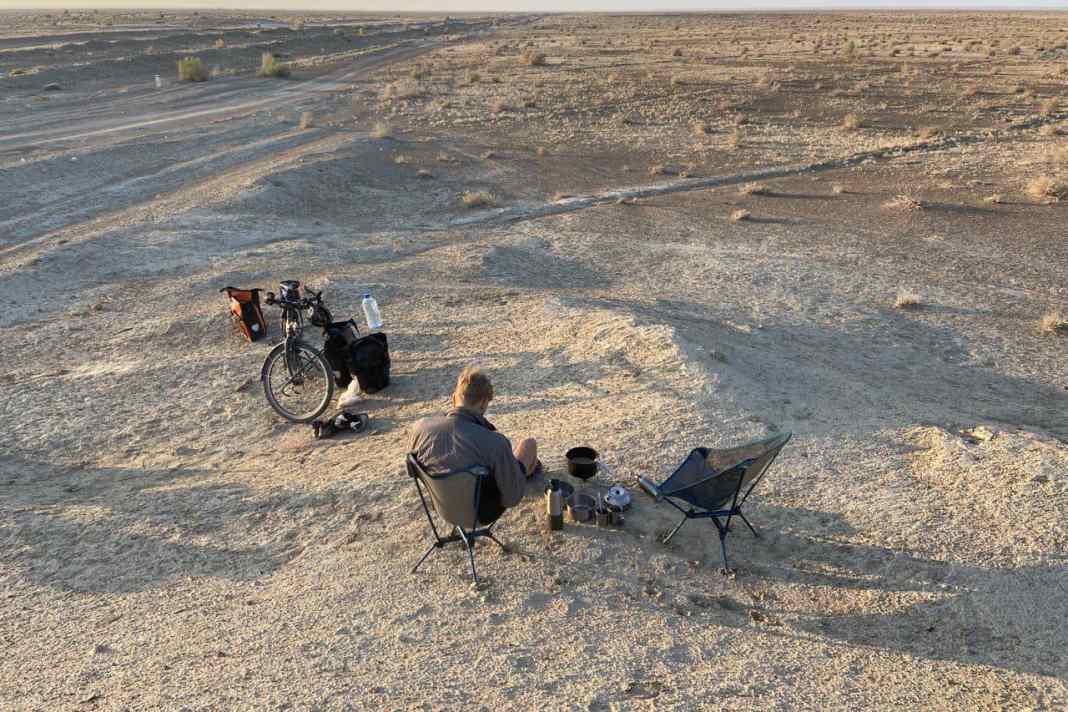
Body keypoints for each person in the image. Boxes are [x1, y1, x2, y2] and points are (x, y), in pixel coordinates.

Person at [408, 367, 539, 523]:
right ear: (483, 404)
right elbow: (511, 499)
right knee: (528, 445)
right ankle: (526, 470)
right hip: (480, 514)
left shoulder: (420, 427)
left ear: (453, 398)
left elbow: (412, 471)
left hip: (442, 508)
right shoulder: (495, 442)